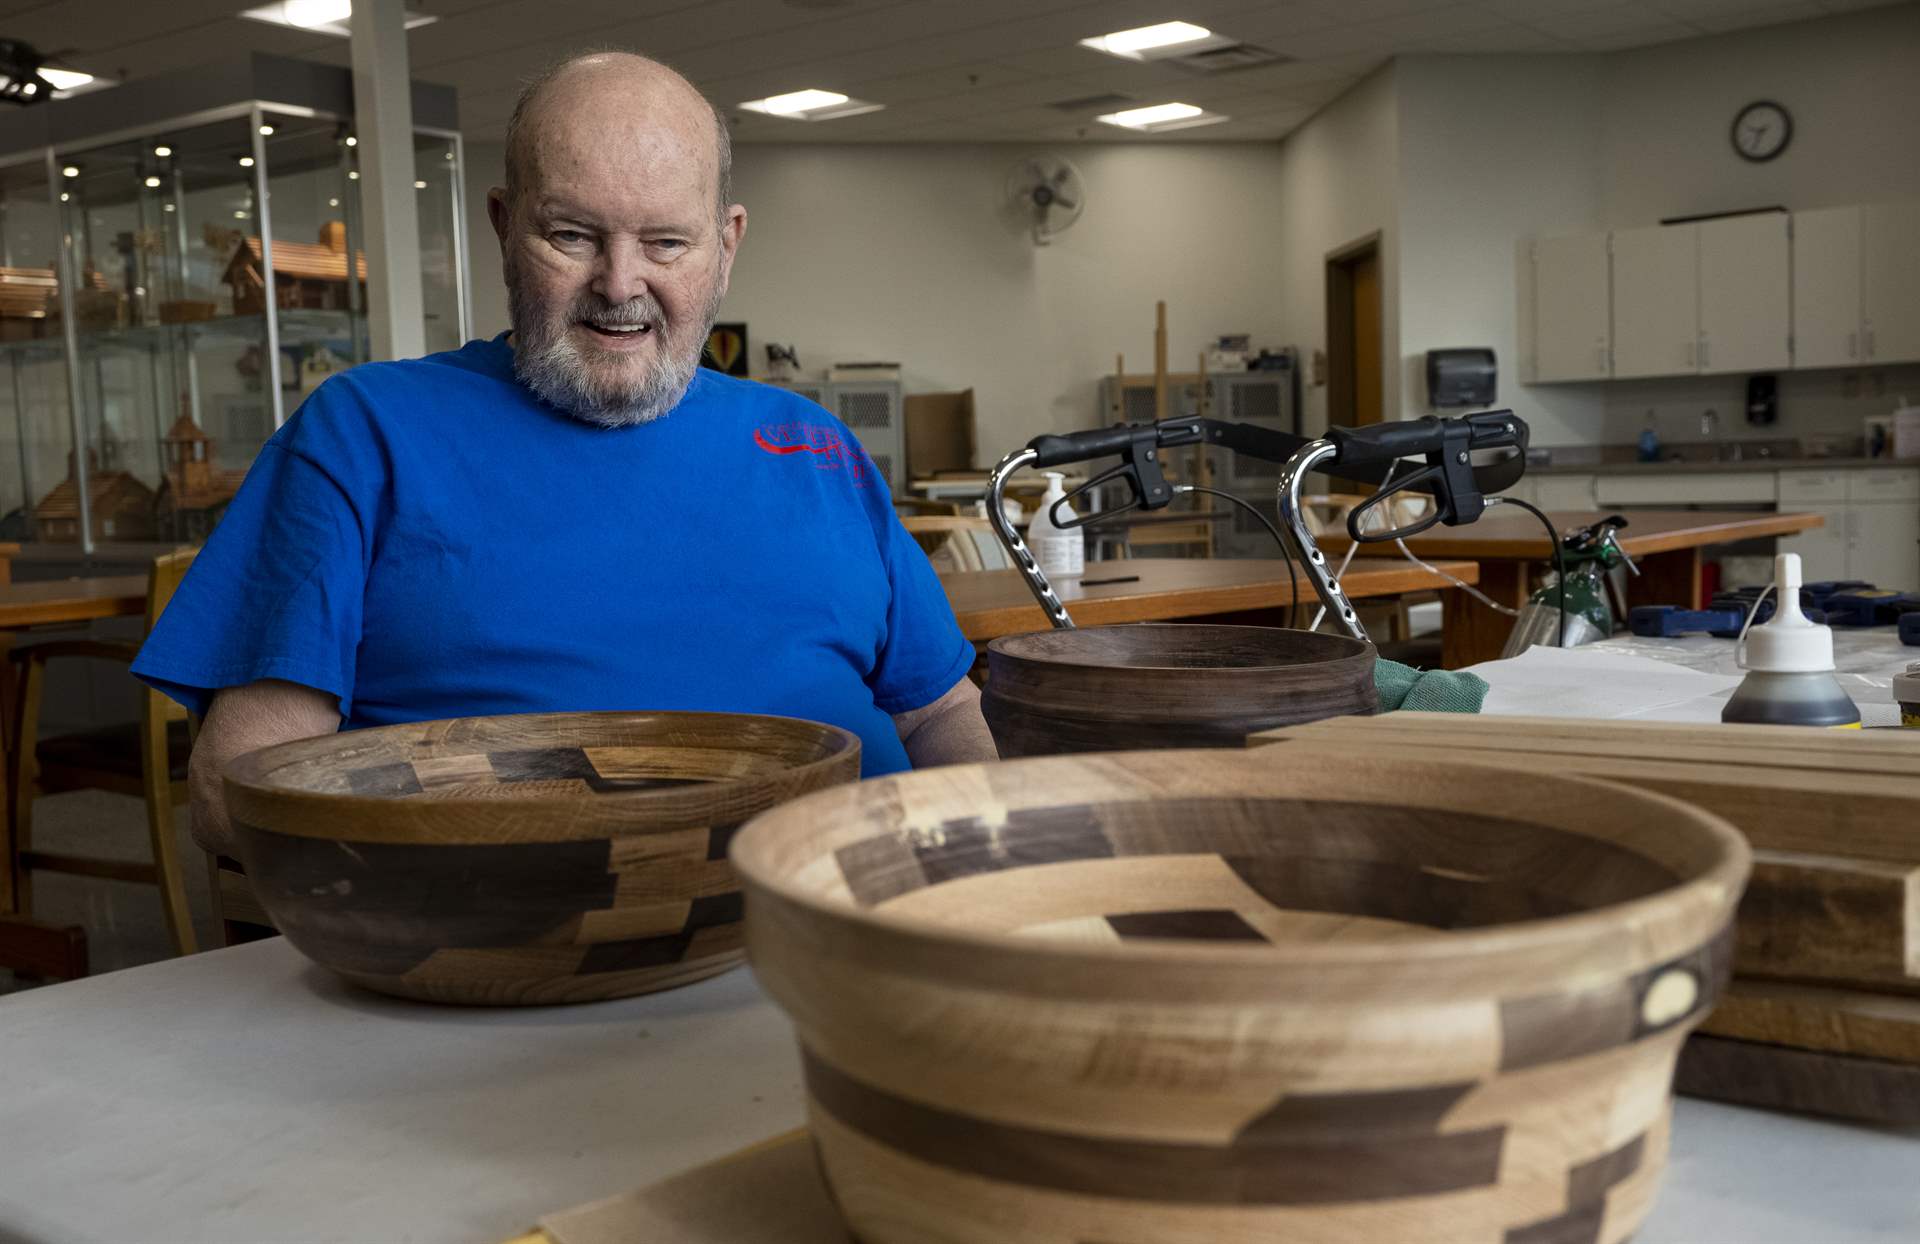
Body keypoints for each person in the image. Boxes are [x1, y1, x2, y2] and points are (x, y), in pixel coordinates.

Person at [133, 51, 998, 856]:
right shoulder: (366, 435)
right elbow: (236, 792)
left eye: (666, 242)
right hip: (529, 961)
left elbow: (938, 714)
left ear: (727, 245)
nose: (621, 285)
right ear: (506, 227)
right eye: (573, 235)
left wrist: (985, 864)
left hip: (858, 934)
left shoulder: (817, 446)